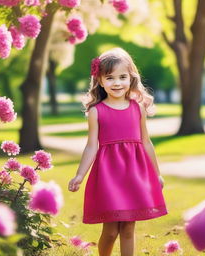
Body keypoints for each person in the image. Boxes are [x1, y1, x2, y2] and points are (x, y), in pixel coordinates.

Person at [68, 47, 168, 256]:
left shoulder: (137, 108)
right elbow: (91, 146)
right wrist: (79, 175)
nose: (116, 83)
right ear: (100, 80)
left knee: (129, 228)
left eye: (122, 77)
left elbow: (146, 142)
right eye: (110, 77)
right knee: (112, 230)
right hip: (109, 176)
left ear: (130, 78)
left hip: (134, 174)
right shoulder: (96, 111)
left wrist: (156, 173)